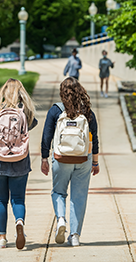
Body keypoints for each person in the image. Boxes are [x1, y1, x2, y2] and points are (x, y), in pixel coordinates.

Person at [0, 78, 37, 250]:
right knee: (18, 199)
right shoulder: (25, 111)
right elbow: (31, 125)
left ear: (3, 92)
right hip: (20, 160)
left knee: (1, 199)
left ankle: (2, 238)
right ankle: (19, 222)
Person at [40, 77, 100, 247]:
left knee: (58, 192)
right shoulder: (87, 111)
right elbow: (94, 139)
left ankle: (60, 220)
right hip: (83, 158)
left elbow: (47, 137)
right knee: (79, 197)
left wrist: (44, 158)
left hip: (61, 158)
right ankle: (74, 235)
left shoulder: (55, 110)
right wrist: (95, 162)